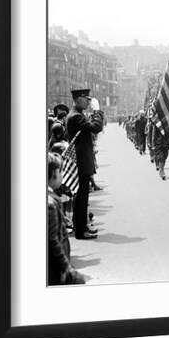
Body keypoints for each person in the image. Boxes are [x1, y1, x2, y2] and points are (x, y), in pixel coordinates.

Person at [66, 89, 104, 240]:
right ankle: (81, 231)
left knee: (83, 197)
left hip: (82, 160)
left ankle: (82, 226)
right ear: (78, 99)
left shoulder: (77, 114)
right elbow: (96, 127)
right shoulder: (75, 116)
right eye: (85, 98)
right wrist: (98, 111)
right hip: (80, 161)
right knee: (81, 198)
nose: (88, 101)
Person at [47, 152, 85, 285]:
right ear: (52, 176)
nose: (62, 176)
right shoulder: (50, 204)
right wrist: (67, 267)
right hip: (55, 268)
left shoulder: (52, 198)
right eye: (60, 172)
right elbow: (53, 241)